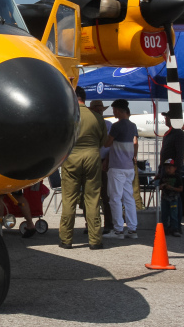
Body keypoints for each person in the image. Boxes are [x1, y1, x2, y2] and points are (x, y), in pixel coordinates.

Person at [59, 87, 107, 249]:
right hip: (92, 157)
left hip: (71, 158)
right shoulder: (97, 117)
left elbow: (61, 140)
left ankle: (66, 239)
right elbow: (103, 141)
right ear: (84, 99)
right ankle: (95, 240)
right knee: (92, 199)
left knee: (69, 199)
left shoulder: (67, 116)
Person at [103, 99, 139, 240]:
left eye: (113, 110)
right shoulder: (133, 126)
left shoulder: (116, 126)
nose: (113, 113)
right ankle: (132, 229)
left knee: (115, 198)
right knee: (128, 198)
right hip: (129, 167)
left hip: (117, 167)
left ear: (117, 110)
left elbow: (107, 143)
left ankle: (118, 230)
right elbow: (135, 143)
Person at [90, 100, 113, 232]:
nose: (99, 112)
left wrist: (107, 160)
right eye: (97, 109)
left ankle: (108, 224)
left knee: (105, 195)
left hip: (103, 162)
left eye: (100, 110)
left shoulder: (108, 124)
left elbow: (111, 145)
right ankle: (91, 225)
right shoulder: (90, 123)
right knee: (90, 195)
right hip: (91, 161)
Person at [157, 158, 183, 236]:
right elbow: (160, 186)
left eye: (170, 167)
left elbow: (181, 189)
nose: (168, 170)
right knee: (164, 214)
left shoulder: (177, 177)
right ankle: (165, 228)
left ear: (175, 168)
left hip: (174, 199)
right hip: (165, 198)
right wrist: (162, 186)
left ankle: (175, 228)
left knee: (174, 214)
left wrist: (171, 188)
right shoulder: (164, 176)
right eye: (166, 168)